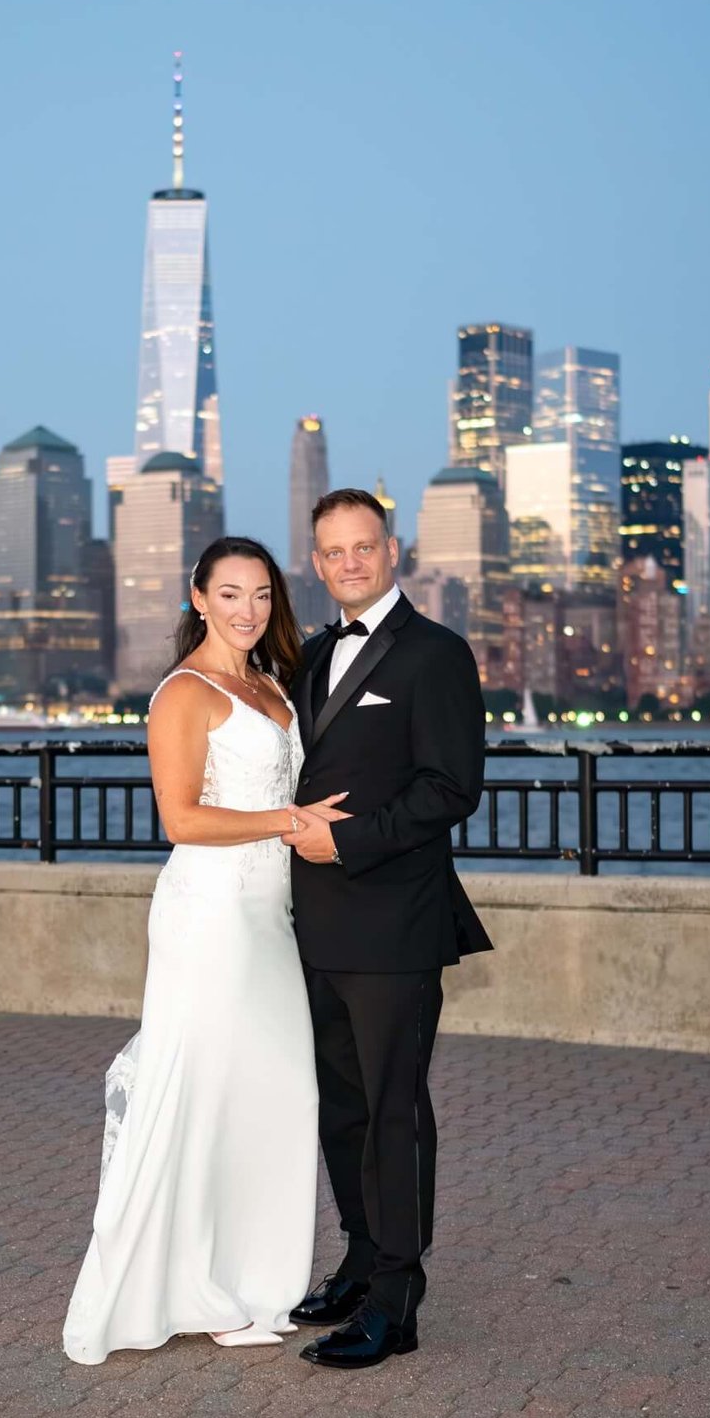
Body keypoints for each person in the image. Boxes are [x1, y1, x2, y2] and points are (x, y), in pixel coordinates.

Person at [61, 536, 350, 1363]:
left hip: (270, 917)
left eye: (261, 595)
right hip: (211, 915)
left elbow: (277, 786)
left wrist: (307, 813)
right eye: (230, 594)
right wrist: (289, 821)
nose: (248, 610)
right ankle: (196, 1287)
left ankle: (257, 1277)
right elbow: (181, 819)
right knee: (204, 1094)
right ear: (198, 597)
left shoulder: (267, 685)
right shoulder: (183, 693)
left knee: (278, 1092)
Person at [279, 488, 491, 1370]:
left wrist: (348, 840)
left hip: (396, 925)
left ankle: (397, 1303)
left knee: (396, 1113)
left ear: (392, 550)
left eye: (365, 546)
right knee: (343, 1110)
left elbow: (451, 788)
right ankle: (363, 1261)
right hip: (315, 927)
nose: (351, 562)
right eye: (334, 551)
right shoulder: (312, 654)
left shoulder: (437, 654)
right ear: (319, 562)